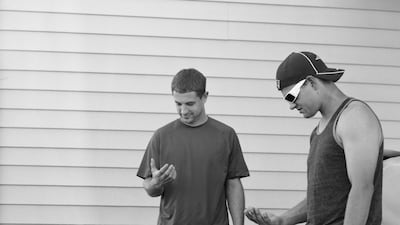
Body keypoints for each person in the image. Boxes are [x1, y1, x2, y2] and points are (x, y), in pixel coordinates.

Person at [245, 51, 383, 225]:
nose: (291, 106)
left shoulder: (354, 117)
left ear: (311, 82)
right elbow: (322, 198)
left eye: (292, 97)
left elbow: (362, 189)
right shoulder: (319, 131)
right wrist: (282, 220)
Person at [137, 68, 250, 225]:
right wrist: (155, 184)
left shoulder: (226, 135)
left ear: (204, 97)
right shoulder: (161, 136)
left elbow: (233, 184)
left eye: (190, 104)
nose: (183, 111)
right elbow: (149, 186)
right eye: (178, 104)